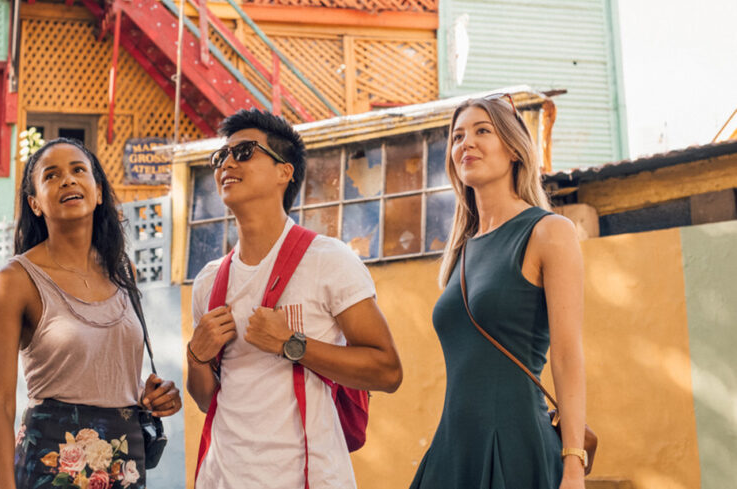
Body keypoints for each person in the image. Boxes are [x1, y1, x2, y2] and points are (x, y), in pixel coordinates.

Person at [187, 109, 403, 489]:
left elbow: (387, 371)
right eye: (221, 156)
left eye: (244, 152)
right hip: (222, 478)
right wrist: (197, 357)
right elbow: (206, 399)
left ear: (284, 172)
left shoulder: (328, 260)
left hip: (309, 478)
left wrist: (292, 345)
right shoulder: (209, 281)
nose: (226, 164)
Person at [409, 96, 587, 489]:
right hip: (453, 448)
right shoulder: (462, 249)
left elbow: (568, 355)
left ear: (513, 150)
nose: (465, 143)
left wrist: (573, 463)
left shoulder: (549, 231)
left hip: (515, 444)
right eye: (457, 136)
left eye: (482, 131)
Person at [0, 138, 182, 489]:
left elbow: (106, 373)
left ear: (99, 191)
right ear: (34, 203)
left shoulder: (124, 271)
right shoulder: (15, 280)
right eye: (52, 175)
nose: (68, 180)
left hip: (124, 463)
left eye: (79, 170)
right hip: (50, 463)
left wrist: (148, 394)